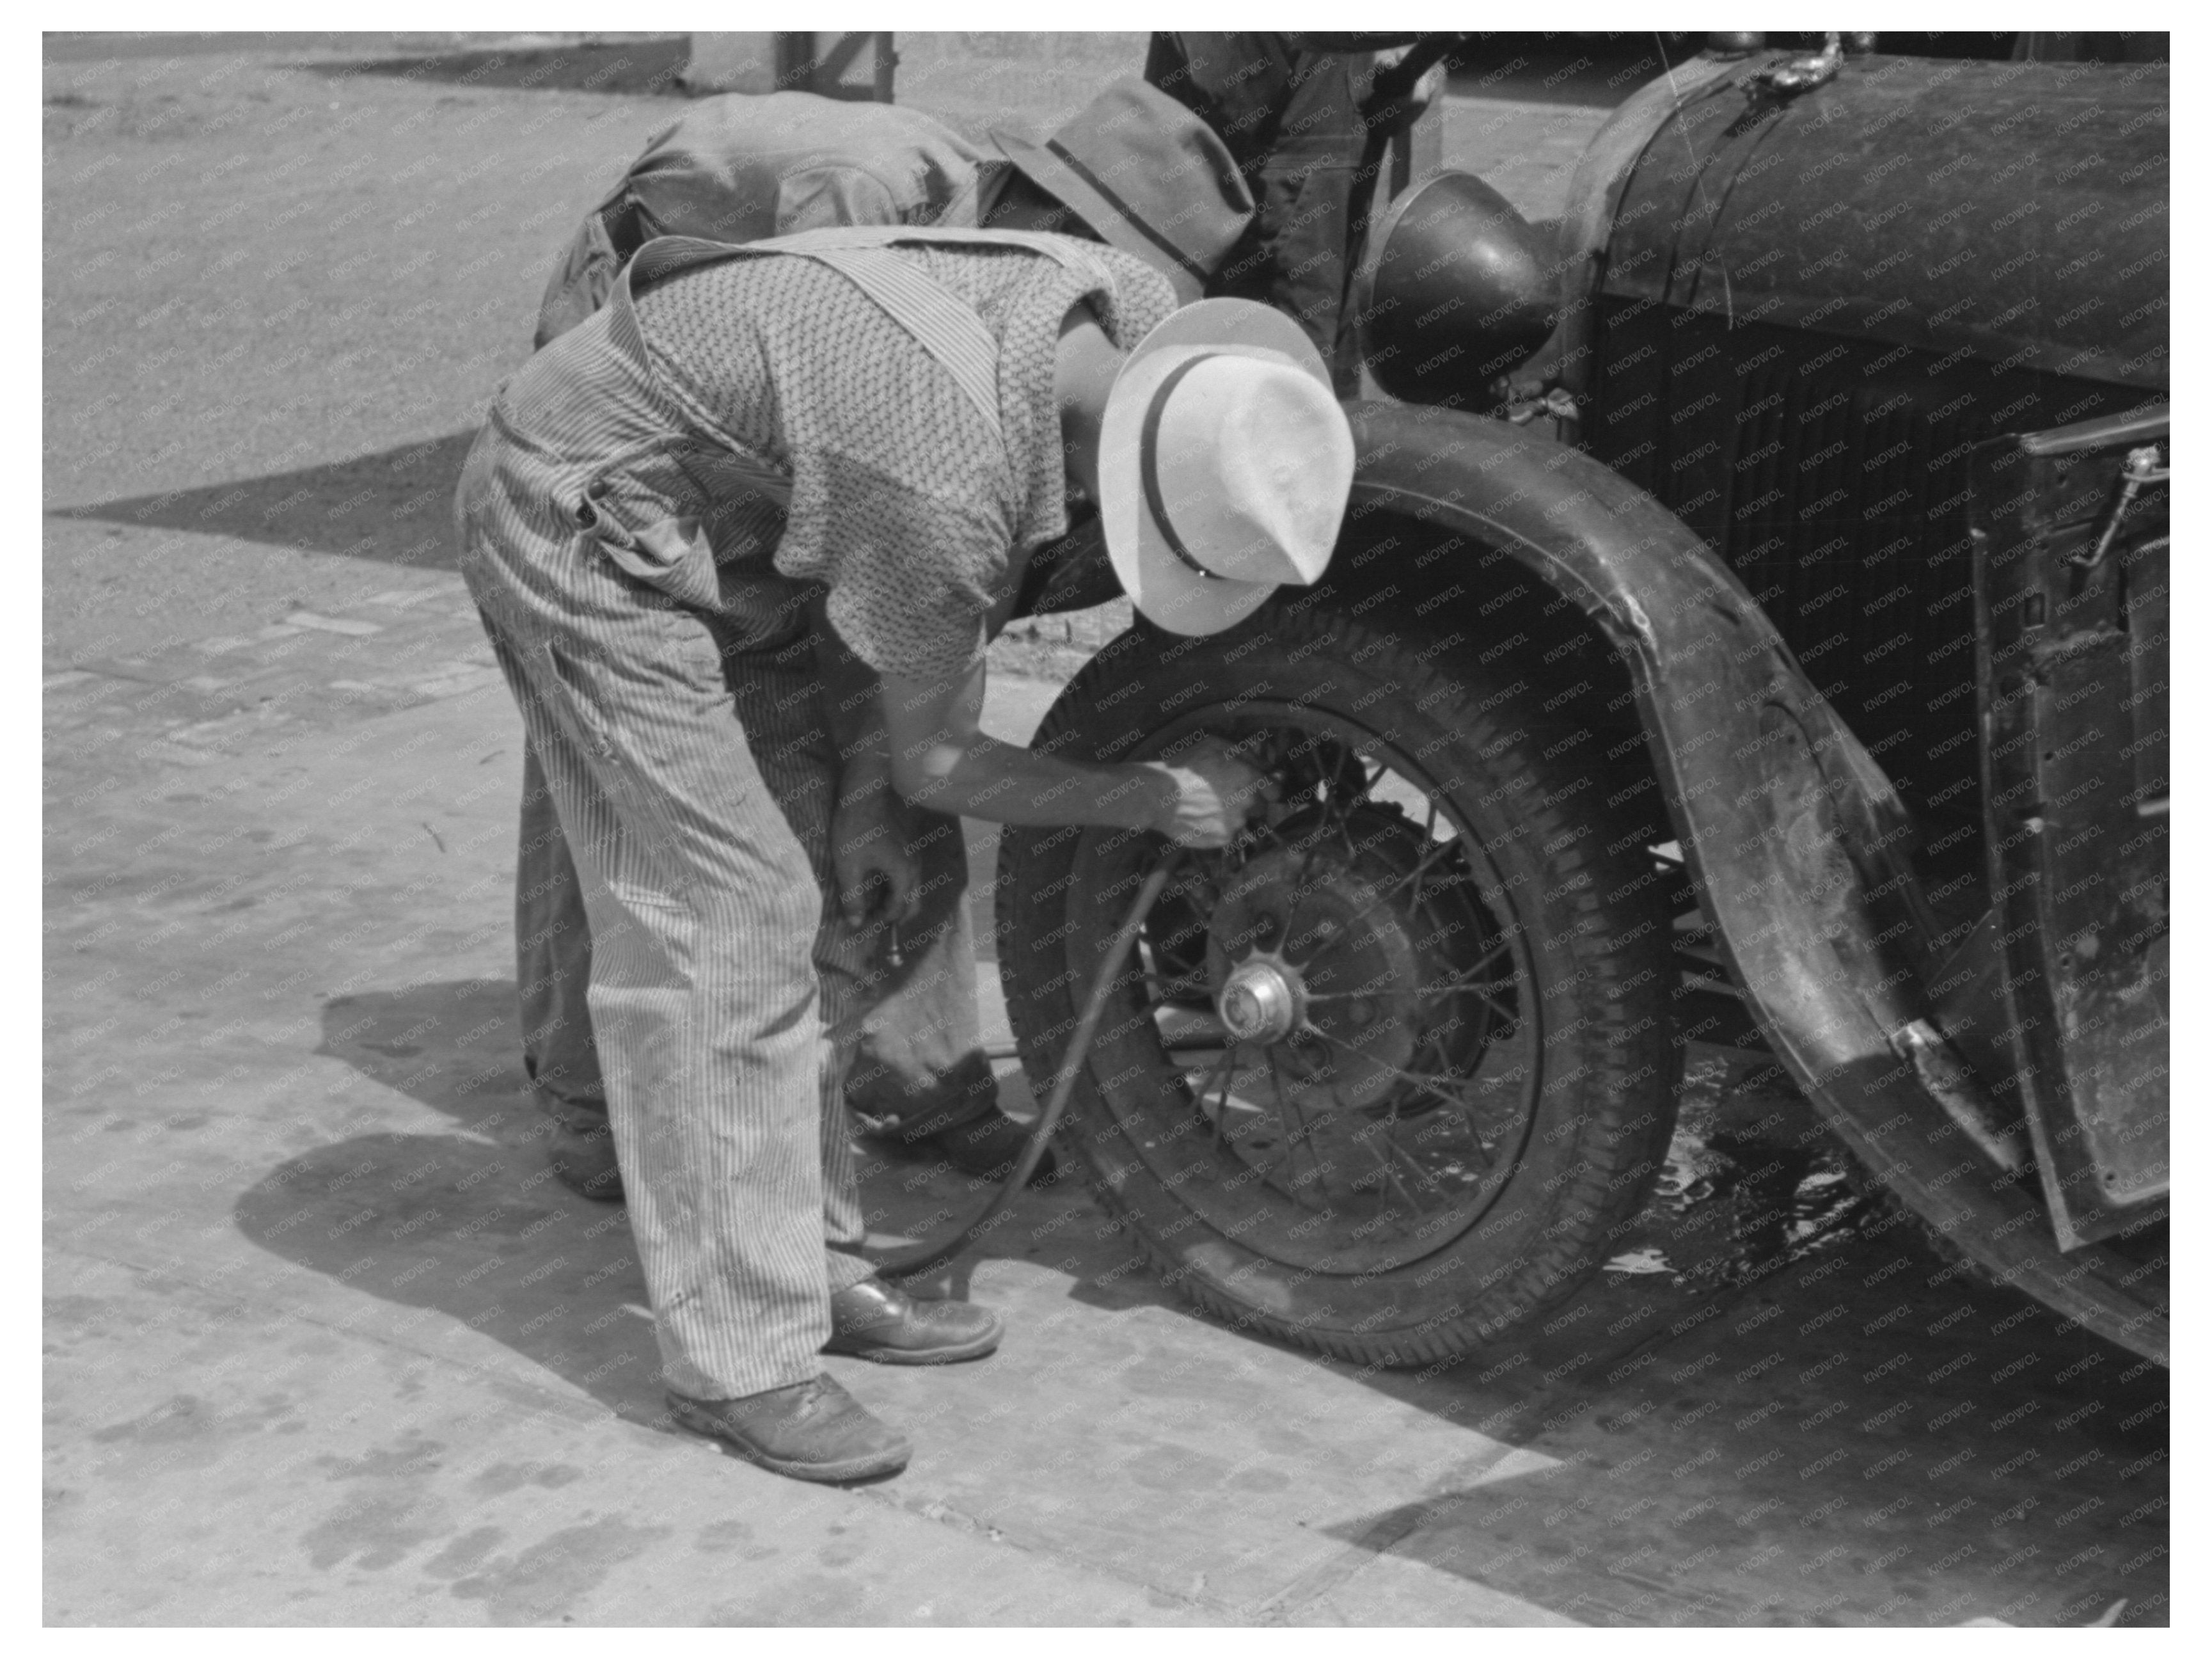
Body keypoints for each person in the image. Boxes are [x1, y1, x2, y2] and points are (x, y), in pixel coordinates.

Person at [454, 221, 1355, 1479]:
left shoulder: (1127, 306)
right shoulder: (950, 483)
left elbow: (881, 621)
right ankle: (740, 1362)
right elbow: (942, 742)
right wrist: (1151, 795)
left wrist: (870, 801)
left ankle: (812, 1268)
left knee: (820, 886)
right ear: (1121, 486)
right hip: (582, 512)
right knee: (731, 914)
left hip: (737, 516)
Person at [517, 80, 1257, 1201]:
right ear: (1049, 218)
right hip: (622, 358)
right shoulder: (866, 204)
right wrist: (1133, 790)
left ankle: (922, 1083)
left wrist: (891, 740)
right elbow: (848, 483)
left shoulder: (1021, 308)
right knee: (626, 742)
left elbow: (915, 653)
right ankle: (587, 1096)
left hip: (808, 424)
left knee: (904, 692)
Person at [1143, 33, 1449, 393]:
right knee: (1267, 389)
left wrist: (1422, 65)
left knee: (1319, 384)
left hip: (1334, 170)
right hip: (1265, 182)